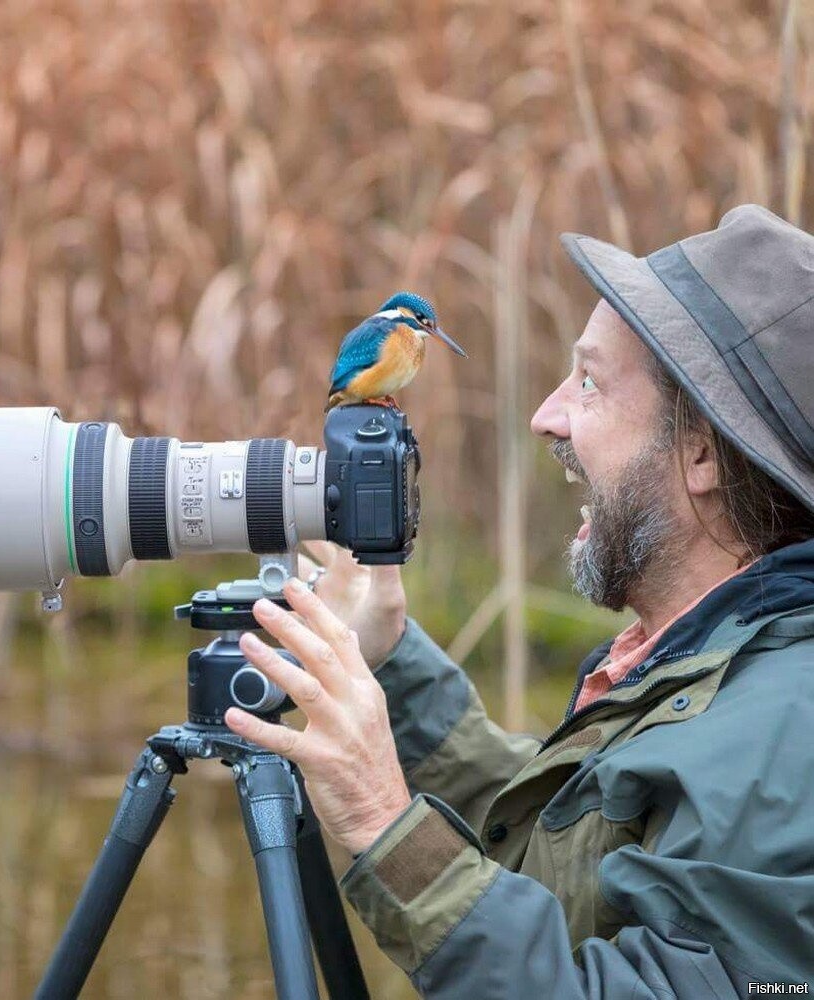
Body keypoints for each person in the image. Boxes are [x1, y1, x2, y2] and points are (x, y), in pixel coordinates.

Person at [223, 204, 814, 998]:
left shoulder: (782, 736)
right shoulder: (704, 666)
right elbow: (563, 853)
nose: (546, 415)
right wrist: (391, 665)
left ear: (701, 452)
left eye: (591, 383)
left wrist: (381, 825)